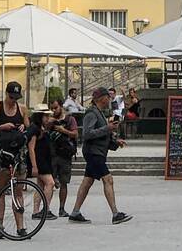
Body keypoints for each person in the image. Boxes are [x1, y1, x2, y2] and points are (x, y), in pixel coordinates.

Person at [68, 87, 132, 224]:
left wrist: (115, 142)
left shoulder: (99, 113)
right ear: (101, 98)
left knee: (87, 182)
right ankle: (115, 214)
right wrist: (107, 128)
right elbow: (87, 134)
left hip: (97, 152)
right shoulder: (91, 113)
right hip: (93, 153)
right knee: (108, 179)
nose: (110, 99)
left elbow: (100, 136)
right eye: (108, 97)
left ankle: (75, 212)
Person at [0, 82, 30, 234]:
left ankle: (20, 226)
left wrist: (25, 127)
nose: (13, 101)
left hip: (18, 153)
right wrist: (2, 127)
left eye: (16, 98)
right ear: (6, 94)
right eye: (11, 97)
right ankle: (0, 225)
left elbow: (28, 128)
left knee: (18, 191)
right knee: (0, 191)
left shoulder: (22, 108)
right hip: (2, 152)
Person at [48, 97, 79, 216]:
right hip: (52, 154)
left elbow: (75, 134)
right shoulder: (50, 120)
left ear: (61, 106)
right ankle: (47, 208)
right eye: (52, 109)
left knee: (64, 183)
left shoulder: (70, 119)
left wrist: (62, 130)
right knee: (49, 182)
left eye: (56, 108)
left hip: (65, 155)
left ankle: (62, 209)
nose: (54, 111)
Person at [26, 110, 59, 220]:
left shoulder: (41, 128)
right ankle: (46, 209)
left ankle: (36, 211)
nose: (47, 118)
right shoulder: (34, 129)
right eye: (45, 116)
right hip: (39, 161)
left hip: (44, 159)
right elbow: (31, 148)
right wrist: (34, 166)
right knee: (50, 183)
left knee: (40, 185)